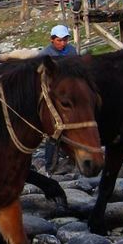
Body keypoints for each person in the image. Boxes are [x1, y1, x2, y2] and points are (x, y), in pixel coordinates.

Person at [41, 23, 78, 171]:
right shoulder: (45, 54)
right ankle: (50, 165)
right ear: (52, 40)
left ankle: (74, 158)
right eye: (59, 40)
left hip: (69, 93)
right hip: (52, 95)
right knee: (53, 130)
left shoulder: (71, 51)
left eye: (64, 40)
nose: (62, 43)